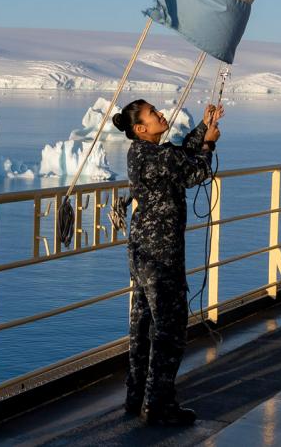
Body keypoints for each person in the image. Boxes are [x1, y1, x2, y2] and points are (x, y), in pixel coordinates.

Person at [110, 99, 222, 427]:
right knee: (170, 330)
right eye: (153, 114)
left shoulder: (142, 152)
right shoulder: (158, 156)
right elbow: (194, 171)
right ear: (141, 129)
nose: (162, 115)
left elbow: (179, 155)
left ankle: (136, 395)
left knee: (143, 325)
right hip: (163, 255)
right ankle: (158, 404)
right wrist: (210, 142)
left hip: (142, 250)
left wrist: (203, 127)